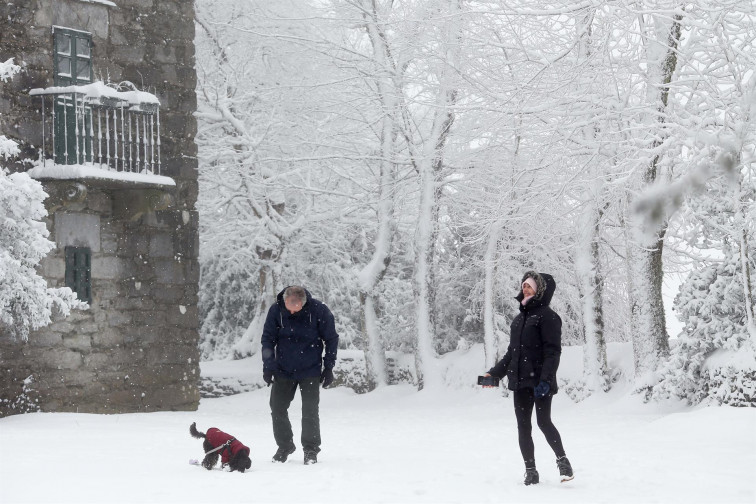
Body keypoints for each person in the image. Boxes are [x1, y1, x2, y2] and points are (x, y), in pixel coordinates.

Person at [483, 271, 573, 485]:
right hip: (520, 381)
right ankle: (531, 471)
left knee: (543, 422)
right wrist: (493, 374)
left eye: (530, 285)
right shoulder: (518, 320)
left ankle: (563, 461)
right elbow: (511, 354)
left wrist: (545, 380)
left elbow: (553, 352)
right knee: (523, 426)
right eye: (524, 285)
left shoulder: (548, 317)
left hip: (540, 381)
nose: (525, 288)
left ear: (539, 289)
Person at [261, 285, 339, 465]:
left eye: (296, 305)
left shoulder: (319, 310)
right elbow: (268, 339)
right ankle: (285, 446)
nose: (291, 309)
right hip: (283, 369)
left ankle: (310, 449)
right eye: (289, 304)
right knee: (277, 408)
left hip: (310, 369)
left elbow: (331, 339)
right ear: (285, 300)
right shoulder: (276, 310)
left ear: (303, 303)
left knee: (310, 410)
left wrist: (328, 367)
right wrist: (268, 366)